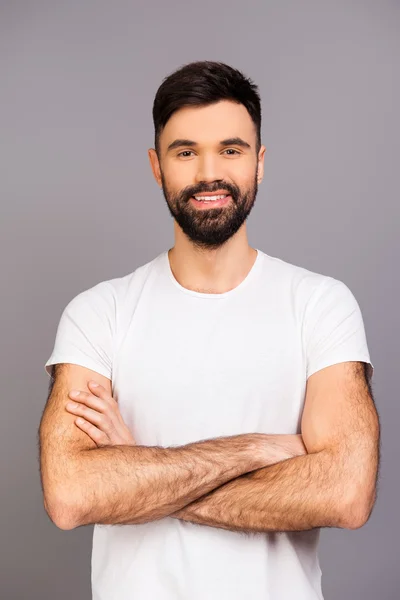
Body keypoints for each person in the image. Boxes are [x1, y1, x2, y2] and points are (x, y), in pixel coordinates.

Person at [39, 60, 380, 600]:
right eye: (185, 151)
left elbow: (344, 494)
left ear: (259, 162)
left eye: (230, 149)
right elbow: (72, 495)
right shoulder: (98, 313)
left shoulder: (320, 306)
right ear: (156, 166)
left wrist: (138, 468)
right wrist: (254, 450)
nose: (207, 174)